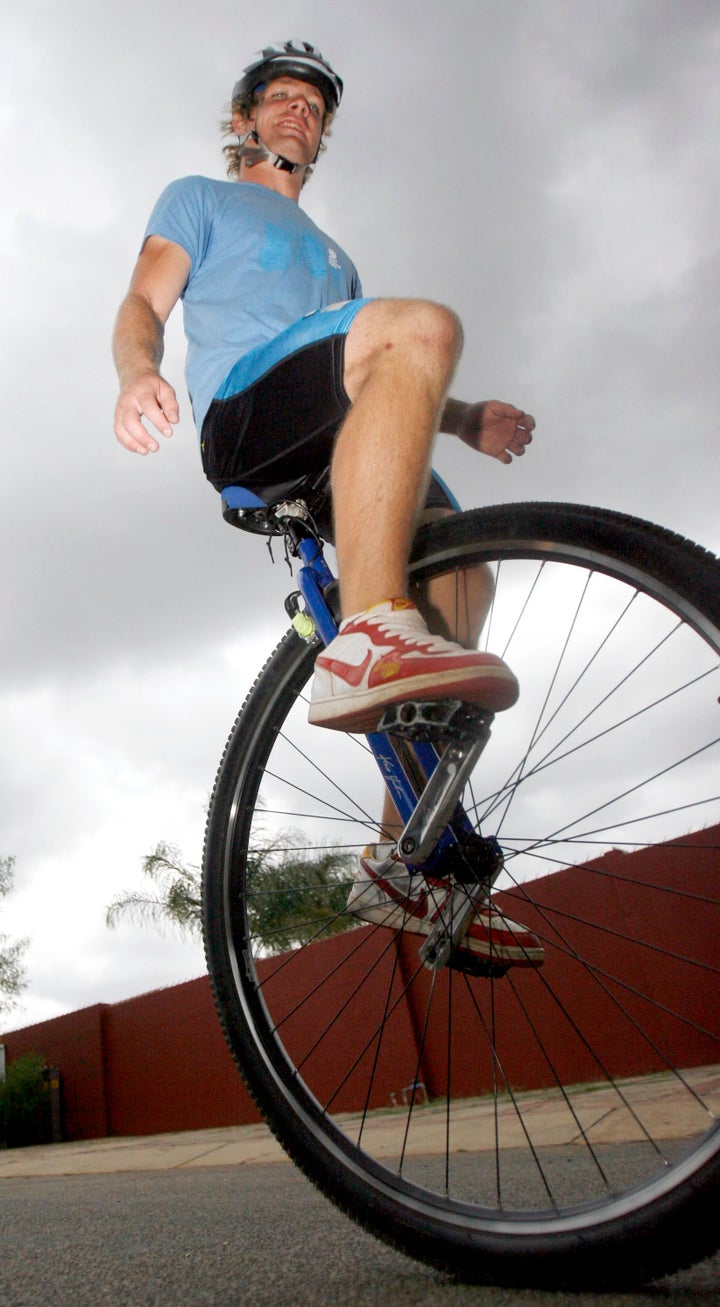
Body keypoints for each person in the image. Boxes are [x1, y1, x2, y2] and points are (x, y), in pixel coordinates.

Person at [113, 40, 542, 970]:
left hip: (335, 424)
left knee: (464, 574)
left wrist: (464, 420)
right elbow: (144, 300)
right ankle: (370, 629)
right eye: (280, 99)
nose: (299, 112)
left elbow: (378, 368)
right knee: (422, 325)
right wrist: (138, 372)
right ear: (245, 121)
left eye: (314, 106)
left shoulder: (338, 261)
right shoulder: (202, 196)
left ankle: (403, 855)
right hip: (247, 413)